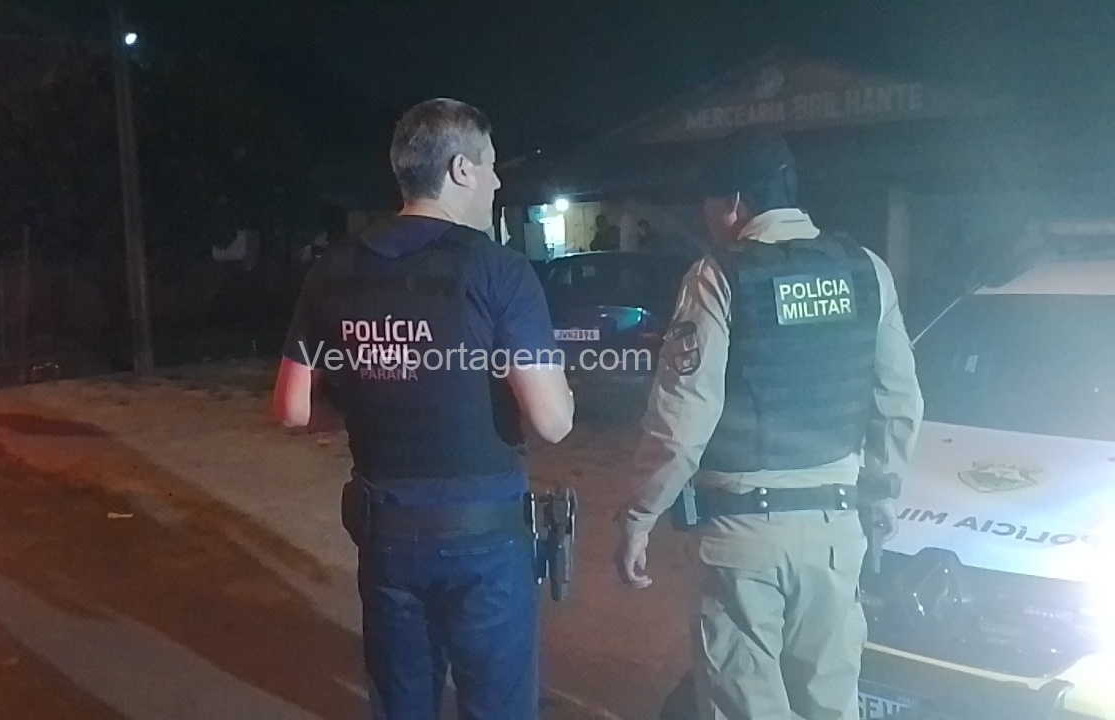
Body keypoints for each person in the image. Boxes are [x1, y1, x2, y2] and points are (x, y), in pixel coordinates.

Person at [273, 98, 574, 720]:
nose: (497, 182)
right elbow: (552, 421)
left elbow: (292, 408)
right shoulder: (498, 269)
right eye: (490, 166)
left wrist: (377, 385)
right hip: (484, 539)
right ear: (461, 169)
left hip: (386, 532)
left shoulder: (333, 269)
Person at [615, 129, 923, 720]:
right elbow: (899, 399)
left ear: (733, 201)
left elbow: (682, 420)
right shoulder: (866, 271)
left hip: (742, 541)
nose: (705, 218)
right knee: (829, 706)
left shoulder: (717, 276)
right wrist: (882, 490)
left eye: (707, 203)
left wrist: (639, 517)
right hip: (836, 532)